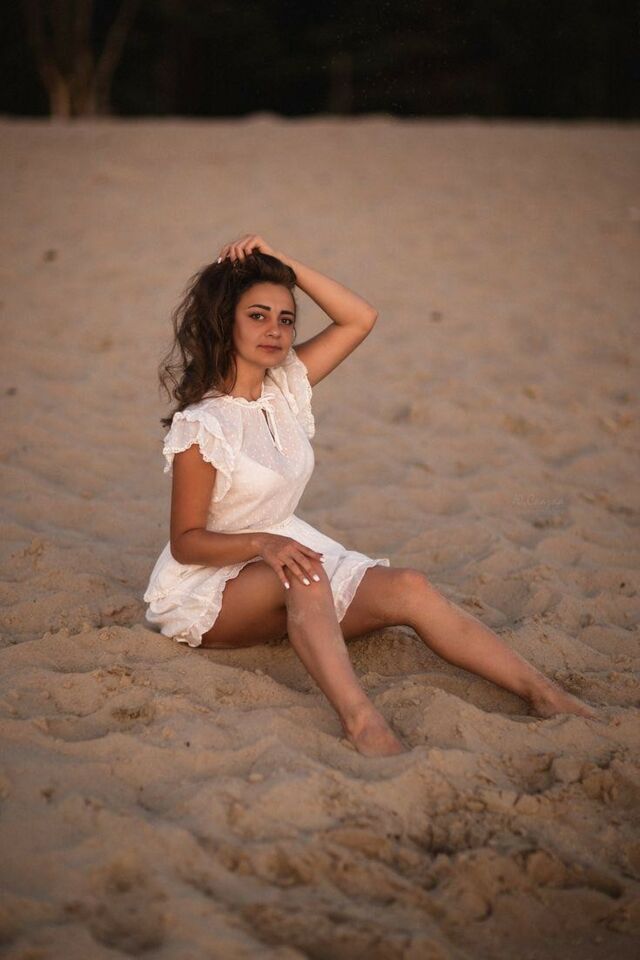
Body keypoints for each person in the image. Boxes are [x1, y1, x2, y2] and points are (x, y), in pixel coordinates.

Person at [143, 233, 599, 758]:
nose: (275, 331)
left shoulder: (284, 389)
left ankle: (544, 695)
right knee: (307, 574)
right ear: (225, 321)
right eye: (258, 316)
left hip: (283, 564)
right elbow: (187, 543)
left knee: (409, 586)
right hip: (209, 590)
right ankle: (363, 724)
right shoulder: (204, 425)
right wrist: (263, 544)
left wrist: (282, 262)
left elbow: (360, 318)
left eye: (286, 319)